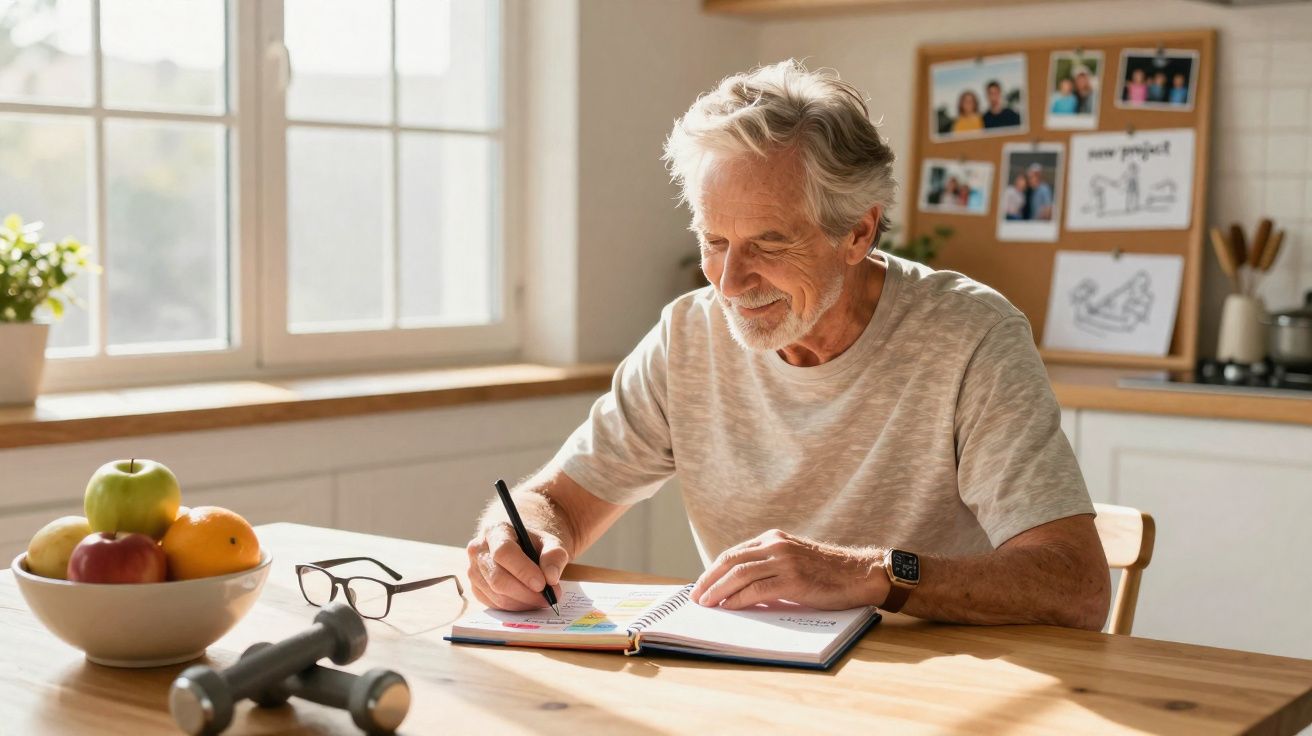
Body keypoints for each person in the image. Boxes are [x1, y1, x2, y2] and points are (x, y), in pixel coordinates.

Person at [465, 60, 1110, 631]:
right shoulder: (689, 335)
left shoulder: (972, 337)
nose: (729, 281)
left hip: (936, 693)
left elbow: (1074, 586)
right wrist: (514, 538)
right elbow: (553, 503)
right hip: (757, 688)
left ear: (858, 234)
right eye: (714, 242)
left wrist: (879, 573)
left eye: (769, 245)